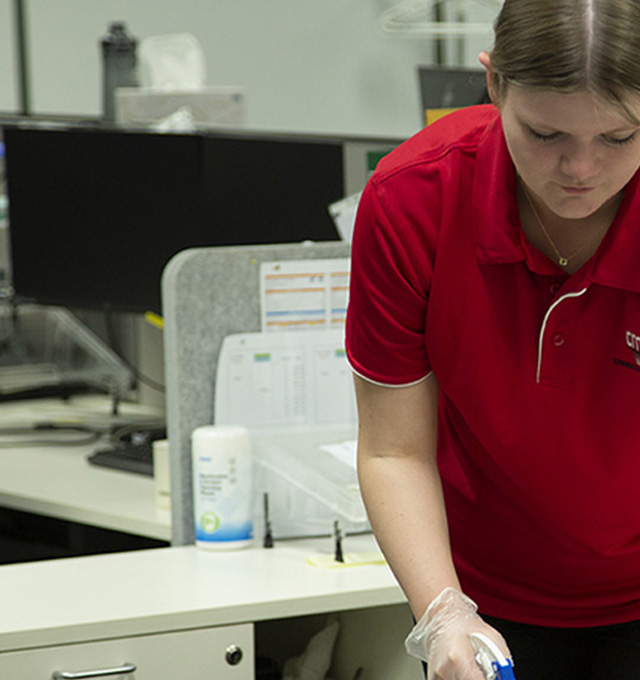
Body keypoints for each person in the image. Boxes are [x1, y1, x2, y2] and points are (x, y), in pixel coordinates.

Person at [344, 1, 640, 679]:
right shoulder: (415, 199)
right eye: (545, 133)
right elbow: (394, 449)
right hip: (486, 600)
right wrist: (442, 611)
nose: (581, 169)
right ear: (494, 84)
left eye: (619, 139)